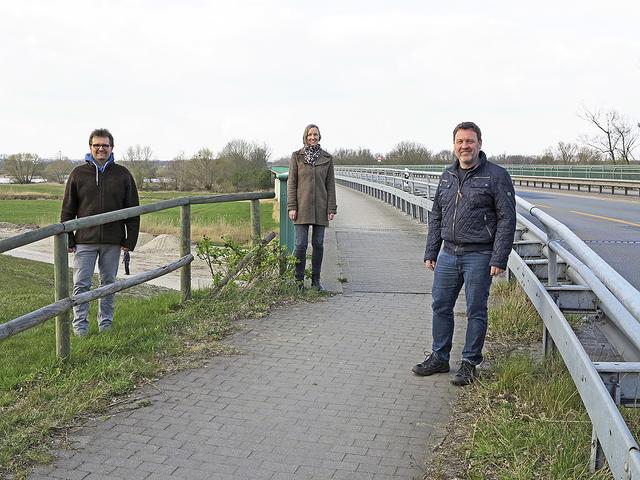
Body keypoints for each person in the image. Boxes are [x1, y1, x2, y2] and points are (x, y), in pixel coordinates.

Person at [412, 122, 516, 386]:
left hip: (479, 255)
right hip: (448, 252)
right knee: (440, 306)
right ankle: (439, 357)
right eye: (460, 142)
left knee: (476, 310)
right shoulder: (447, 175)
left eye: (470, 141)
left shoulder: (496, 175)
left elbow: (506, 219)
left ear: (479, 144)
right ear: (454, 145)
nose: (465, 146)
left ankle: (470, 362)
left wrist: (499, 257)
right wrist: (431, 251)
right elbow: (437, 215)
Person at [61, 128, 140, 337]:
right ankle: (80, 330)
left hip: (113, 241)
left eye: (105, 145)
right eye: (97, 145)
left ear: (112, 147)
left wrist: (129, 240)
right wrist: (69, 238)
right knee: (81, 285)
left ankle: (105, 327)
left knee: (108, 285)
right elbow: (68, 209)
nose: (101, 149)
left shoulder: (123, 174)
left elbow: (133, 209)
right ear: (90, 147)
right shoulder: (78, 174)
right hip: (85, 240)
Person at [287, 124, 337, 290]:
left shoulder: (327, 158)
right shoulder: (296, 157)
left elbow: (330, 185)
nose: (312, 138)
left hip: (321, 207)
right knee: (300, 245)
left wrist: (331, 208)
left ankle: (316, 281)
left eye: (315, 135)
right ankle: (299, 282)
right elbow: (292, 183)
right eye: (310, 135)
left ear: (319, 136)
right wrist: (292, 206)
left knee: (318, 243)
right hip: (301, 206)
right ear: (305, 136)